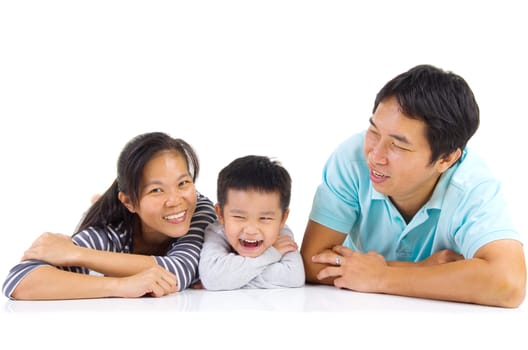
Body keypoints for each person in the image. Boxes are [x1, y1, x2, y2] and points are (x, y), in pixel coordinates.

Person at [300, 64, 526, 308]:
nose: (375, 155)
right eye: (374, 131)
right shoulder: (352, 159)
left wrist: (382, 276)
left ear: (446, 159)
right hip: (354, 311)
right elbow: (311, 262)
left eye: (398, 146)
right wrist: (416, 270)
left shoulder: (471, 185)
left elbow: (508, 283)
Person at [2, 132, 217, 300]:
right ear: (129, 202)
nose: (175, 200)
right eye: (156, 190)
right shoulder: (115, 232)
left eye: (183, 183)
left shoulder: (199, 212)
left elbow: (178, 272)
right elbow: (19, 281)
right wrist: (120, 286)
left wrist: (76, 254)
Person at [198, 155, 305, 290]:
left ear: (283, 219)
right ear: (220, 214)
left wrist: (229, 279)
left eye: (265, 218)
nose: (251, 230)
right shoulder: (216, 232)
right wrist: (272, 254)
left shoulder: (282, 235)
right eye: (239, 216)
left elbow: (294, 277)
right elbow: (213, 278)